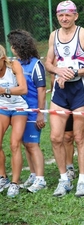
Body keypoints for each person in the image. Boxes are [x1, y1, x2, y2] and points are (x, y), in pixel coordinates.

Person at [44, 0, 84, 197]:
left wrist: (75, 71)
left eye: (68, 14)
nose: (64, 18)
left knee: (80, 137)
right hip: (60, 91)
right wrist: (58, 70)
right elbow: (48, 63)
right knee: (55, 136)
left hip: (80, 89)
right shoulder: (54, 36)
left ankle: (83, 180)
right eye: (61, 15)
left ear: (75, 16)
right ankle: (63, 179)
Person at [7, 30, 47, 194]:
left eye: (13, 46)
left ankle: (40, 179)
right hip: (19, 110)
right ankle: (32, 174)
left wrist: (40, 113)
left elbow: (42, 90)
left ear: (19, 47)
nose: (11, 49)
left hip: (32, 109)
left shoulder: (36, 64)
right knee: (25, 144)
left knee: (32, 144)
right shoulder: (14, 63)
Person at [0, 44, 28, 197]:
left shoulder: (14, 65)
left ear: (3, 59)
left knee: (14, 144)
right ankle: (2, 177)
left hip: (18, 107)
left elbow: (23, 89)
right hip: (2, 107)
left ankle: (15, 183)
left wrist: (4, 90)